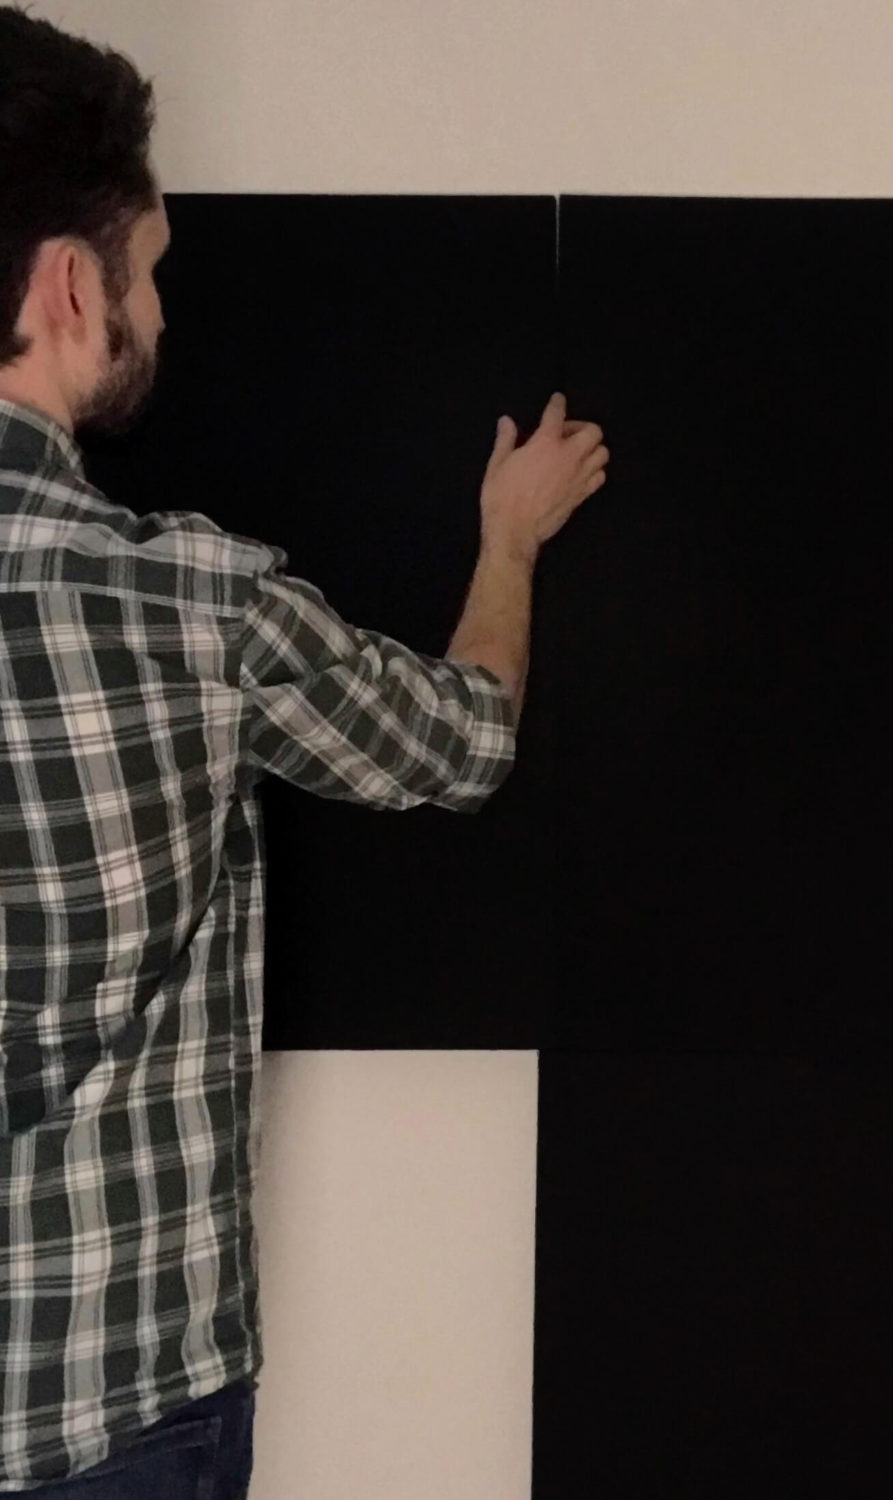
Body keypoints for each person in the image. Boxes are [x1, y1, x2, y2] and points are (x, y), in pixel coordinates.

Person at [0, 4, 608, 1494]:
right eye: (153, 273)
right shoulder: (186, 604)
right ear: (73, 288)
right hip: (111, 1405)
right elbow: (461, 742)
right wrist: (509, 541)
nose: (165, 313)